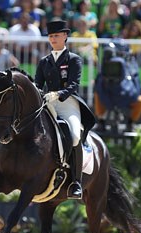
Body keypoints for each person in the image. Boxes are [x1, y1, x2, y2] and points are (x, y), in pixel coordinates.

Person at [35, 20, 96, 199]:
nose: (53, 39)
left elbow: (74, 85)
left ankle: (76, 181)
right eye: (51, 36)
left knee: (75, 136)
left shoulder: (73, 59)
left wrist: (58, 93)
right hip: (48, 103)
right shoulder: (44, 62)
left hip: (67, 103)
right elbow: (38, 84)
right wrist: (40, 94)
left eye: (56, 36)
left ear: (65, 36)